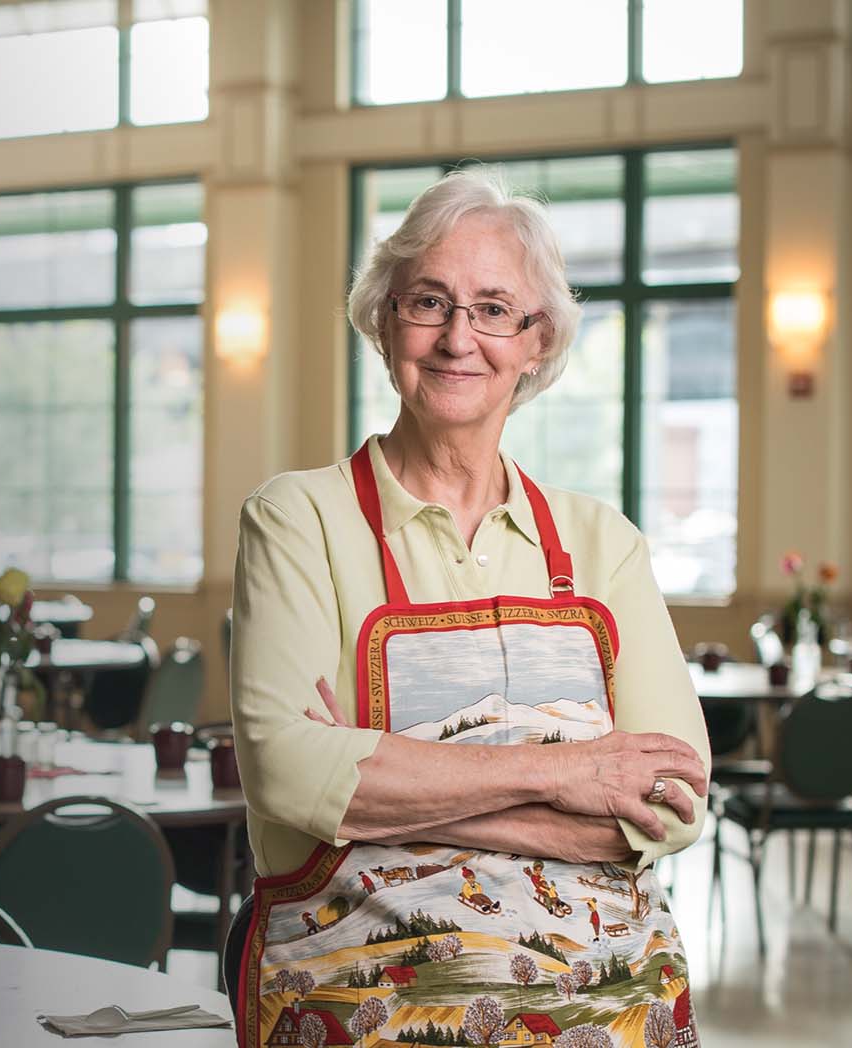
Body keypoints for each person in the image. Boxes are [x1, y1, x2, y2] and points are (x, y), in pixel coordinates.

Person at [229, 168, 710, 1046]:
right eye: (429, 302)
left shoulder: (604, 543)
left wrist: (385, 787)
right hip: (364, 1009)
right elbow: (286, 770)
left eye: (495, 309)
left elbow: (675, 794)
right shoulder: (297, 519)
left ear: (537, 342)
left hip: (612, 1004)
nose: (460, 337)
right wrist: (570, 774)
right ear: (383, 321)